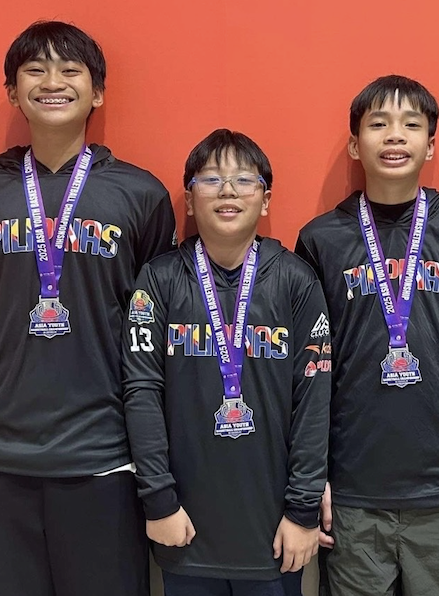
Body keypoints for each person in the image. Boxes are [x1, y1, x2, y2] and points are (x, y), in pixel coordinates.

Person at [0, 20, 176, 596]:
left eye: (70, 70)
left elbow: (156, 337)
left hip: (106, 460)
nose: (52, 82)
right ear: (13, 92)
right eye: (35, 70)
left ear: (98, 91)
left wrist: (157, 462)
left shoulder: (141, 194)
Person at [295, 75, 439, 596]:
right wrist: (312, 475)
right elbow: (310, 371)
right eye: (378, 124)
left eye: (412, 125)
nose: (394, 136)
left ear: (431, 145)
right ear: (353, 143)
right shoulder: (321, 239)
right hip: (354, 490)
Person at [122, 129, 331, 596]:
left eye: (243, 179)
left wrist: (301, 511)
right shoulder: (157, 280)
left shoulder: (297, 282)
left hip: (274, 534)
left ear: (266, 199)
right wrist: (158, 500)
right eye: (211, 179)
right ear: (190, 201)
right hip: (183, 526)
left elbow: (314, 402)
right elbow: (141, 392)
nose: (229, 190)